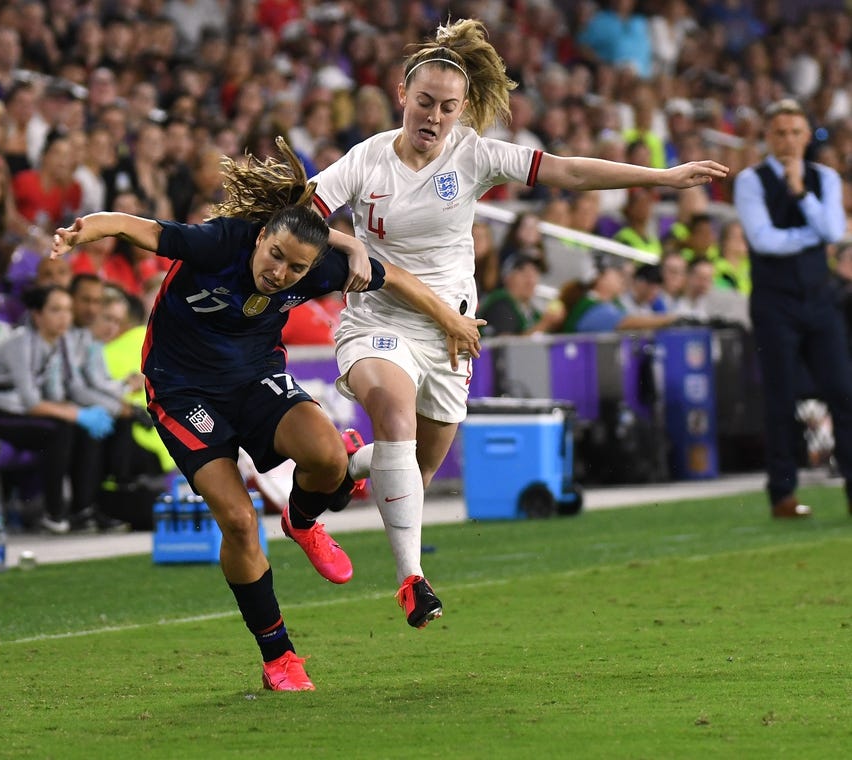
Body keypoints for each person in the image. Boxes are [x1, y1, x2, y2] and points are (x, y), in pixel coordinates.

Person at [309, 18, 727, 627]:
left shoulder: (475, 154)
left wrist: (660, 179)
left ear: (462, 110)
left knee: (416, 469)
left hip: (452, 330)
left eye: (448, 107)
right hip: (379, 318)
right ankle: (412, 580)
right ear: (403, 95)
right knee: (394, 414)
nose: (433, 115)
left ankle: (345, 467)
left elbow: (569, 171)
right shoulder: (365, 161)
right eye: (424, 101)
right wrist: (345, 243)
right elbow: (303, 212)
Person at [50, 137, 484, 691]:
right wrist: (93, 226)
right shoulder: (218, 242)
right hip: (183, 391)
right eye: (274, 255)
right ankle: (279, 655)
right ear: (260, 238)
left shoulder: (320, 269)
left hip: (255, 376)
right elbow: (146, 230)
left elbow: (393, 277)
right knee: (236, 520)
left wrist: (450, 318)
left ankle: (302, 521)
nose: (279, 272)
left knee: (329, 458)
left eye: (295, 267)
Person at [732, 99, 852, 519]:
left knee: (844, 391)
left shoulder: (824, 177)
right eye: (780, 133)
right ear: (767, 137)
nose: (788, 141)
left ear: (807, 136)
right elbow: (763, 239)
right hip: (774, 301)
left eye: (795, 132)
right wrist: (811, 232)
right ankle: (782, 494)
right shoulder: (751, 180)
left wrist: (800, 194)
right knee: (780, 398)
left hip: (820, 299)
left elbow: (835, 231)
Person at [0, 285, 117, 534]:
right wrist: (78, 414)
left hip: (16, 411)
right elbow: (32, 402)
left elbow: (55, 395)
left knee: (80, 430)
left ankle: (83, 510)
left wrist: (83, 411)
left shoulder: (57, 345)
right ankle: (54, 514)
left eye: (67, 310)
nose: (64, 317)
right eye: (55, 310)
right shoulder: (20, 343)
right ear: (37, 315)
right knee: (60, 430)